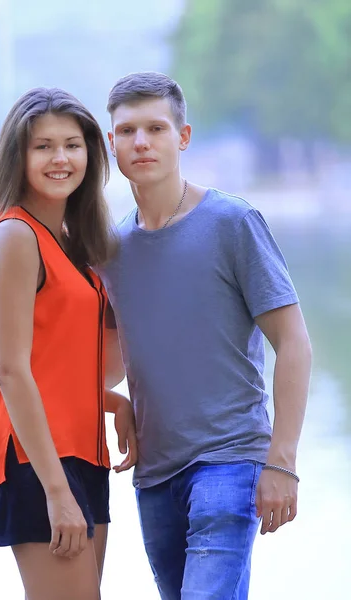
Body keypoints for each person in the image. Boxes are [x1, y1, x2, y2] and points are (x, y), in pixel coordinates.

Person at [99, 72, 312, 600]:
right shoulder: (111, 250)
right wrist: (113, 402)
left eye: (155, 128)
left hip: (230, 459)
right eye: (127, 131)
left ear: (184, 137)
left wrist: (281, 460)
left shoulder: (231, 222)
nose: (141, 142)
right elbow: (112, 366)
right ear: (111, 145)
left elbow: (293, 342)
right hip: (153, 475)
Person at [0, 87, 136, 600]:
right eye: (43, 146)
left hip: (81, 452)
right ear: (18, 156)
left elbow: (58, 362)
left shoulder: (70, 243)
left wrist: (111, 400)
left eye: (72, 145)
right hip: (34, 462)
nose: (60, 158)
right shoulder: (16, 236)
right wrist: (56, 491)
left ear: (91, 155)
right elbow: (10, 371)